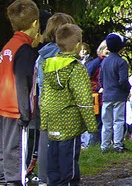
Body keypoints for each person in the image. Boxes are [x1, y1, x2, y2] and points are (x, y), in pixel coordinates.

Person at [41, 23, 98, 185]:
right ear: (79, 45)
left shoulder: (49, 66)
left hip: (53, 122)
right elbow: (83, 99)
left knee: (54, 160)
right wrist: (91, 125)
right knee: (69, 161)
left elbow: (44, 98)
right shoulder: (76, 68)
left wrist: (45, 123)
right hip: (70, 123)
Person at [0, 0, 40, 185]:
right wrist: (25, 112)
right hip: (16, 108)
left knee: (5, 150)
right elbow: (21, 81)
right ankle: (14, 181)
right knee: (16, 151)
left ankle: (4, 179)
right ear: (35, 23)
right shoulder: (24, 50)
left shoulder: (8, 46)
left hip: (3, 106)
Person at [34, 12, 75, 184]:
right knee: (66, 146)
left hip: (45, 104)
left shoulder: (41, 56)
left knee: (45, 143)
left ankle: (44, 178)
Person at [99, 33, 131, 153]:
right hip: (118, 95)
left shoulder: (104, 62)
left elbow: (101, 80)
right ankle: (118, 144)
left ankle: (105, 146)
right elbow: (123, 80)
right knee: (118, 120)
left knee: (106, 122)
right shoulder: (121, 62)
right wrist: (127, 89)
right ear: (121, 48)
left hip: (106, 95)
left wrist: (105, 87)